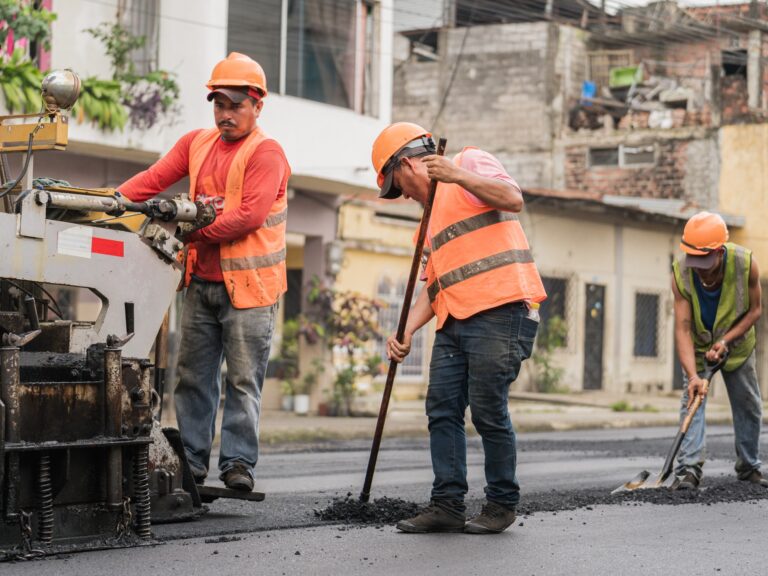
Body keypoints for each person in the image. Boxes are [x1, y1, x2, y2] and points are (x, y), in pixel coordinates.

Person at [119, 52, 290, 492]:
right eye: (219, 103)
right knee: (192, 377)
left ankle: (237, 464)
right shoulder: (196, 143)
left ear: (257, 105)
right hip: (201, 283)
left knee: (242, 380)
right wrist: (109, 201)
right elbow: (153, 179)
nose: (226, 113)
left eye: (235, 104)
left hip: (249, 290)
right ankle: (192, 462)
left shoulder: (266, 153)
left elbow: (248, 217)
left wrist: (188, 235)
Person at [372, 122, 546, 534]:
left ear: (410, 163)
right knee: (442, 408)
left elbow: (513, 198)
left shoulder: (469, 162)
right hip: (455, 320)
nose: (404, 196)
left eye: (399, 186)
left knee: (487, 409)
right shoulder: (427, 225)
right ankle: (447, 504)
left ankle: (501, 504)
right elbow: (435, 288)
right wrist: (407, 332)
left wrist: (456, 174)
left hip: (501, 312)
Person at [672, 211, 767, 489]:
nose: (699, 267)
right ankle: (688, 470)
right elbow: (683, 328)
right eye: (694, 260)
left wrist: (726, 341)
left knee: (748, 404)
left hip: (736, 346)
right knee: (692, 399)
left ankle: (749, 467)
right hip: (700, 346)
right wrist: (693, 376)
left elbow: (755, 310)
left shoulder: (746, 264)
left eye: (704, 261)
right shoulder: (681, 273)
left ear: (719, 251)